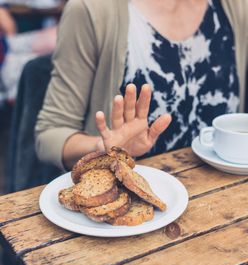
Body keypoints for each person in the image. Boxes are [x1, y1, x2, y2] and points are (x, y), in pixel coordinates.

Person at [35, 0, 248, 171]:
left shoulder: (237, 6)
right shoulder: (91, 9)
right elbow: (50, 134)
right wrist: (101, 147)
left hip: (225, 197)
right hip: (131, 208)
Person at [0, 6, 57, 102]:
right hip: (4, 70)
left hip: (7, 44)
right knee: (54, 66)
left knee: (62, 35)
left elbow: (7, 24)